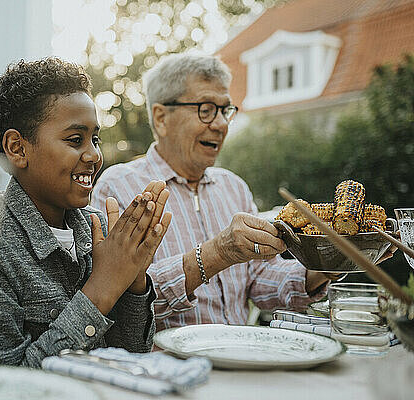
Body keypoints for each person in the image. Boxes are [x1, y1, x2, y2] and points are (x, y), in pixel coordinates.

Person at [91, 53, 336, 331]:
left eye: (225, 110)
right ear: (161, 118)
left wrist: (321, 270)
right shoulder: (118, 188)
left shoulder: (234, 187)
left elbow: (260, 279)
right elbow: (119, 301)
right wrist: (215, 254)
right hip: (167, 369)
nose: (220, 124)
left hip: (240, 361)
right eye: (206, 109)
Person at [0, 58, 172, 368]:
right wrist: (102, 288)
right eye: (75, 140)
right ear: (17, 148)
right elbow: (4, 384)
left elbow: (129, 357)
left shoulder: (96, 229)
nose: (95, 155)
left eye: (95, 139)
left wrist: (133, 279)